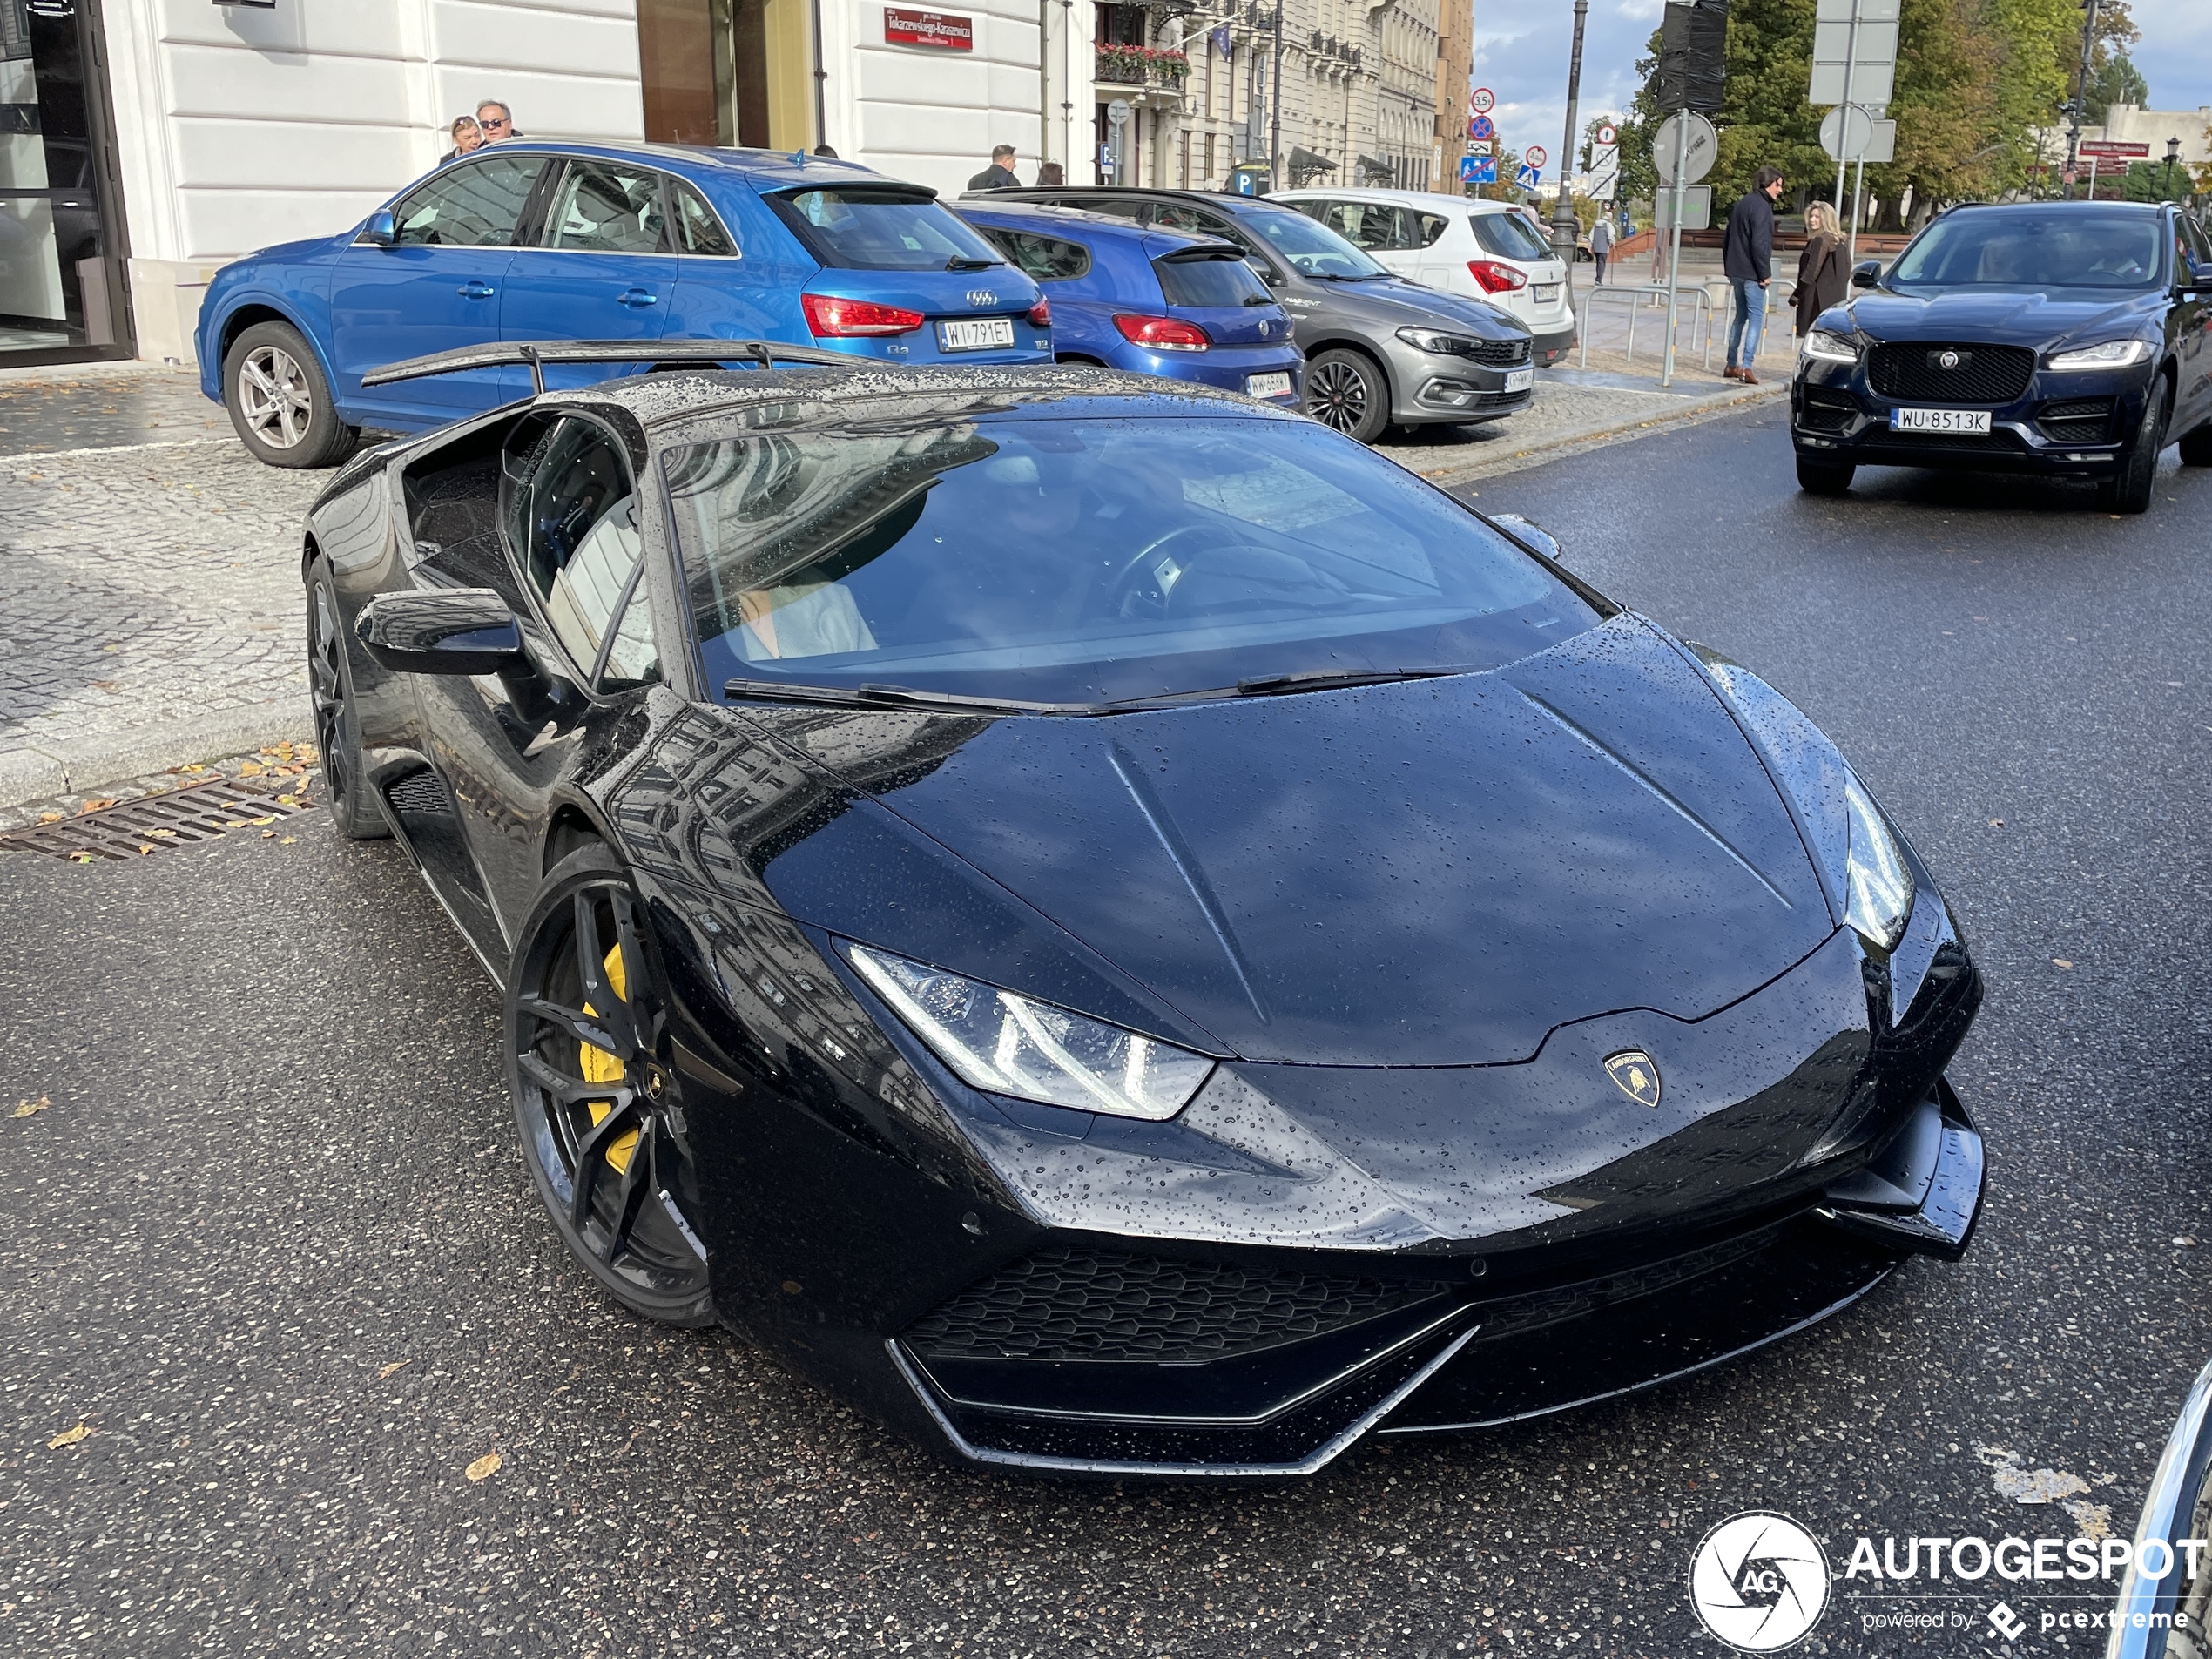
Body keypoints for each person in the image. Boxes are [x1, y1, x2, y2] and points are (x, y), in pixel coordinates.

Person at [1722, 165, 1784, 383]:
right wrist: (1765, 273)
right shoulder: (1762, 207)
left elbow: (1727, 238)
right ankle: (1747, 366)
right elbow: (1760, 243)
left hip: (1737, 271)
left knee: (1740, 317)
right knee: (1756, 318)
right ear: (1768, 183)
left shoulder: (1742, 203)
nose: (1780, 190)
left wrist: (1728, 268)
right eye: (1779, 185)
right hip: (1752, 273)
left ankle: (1731, 364)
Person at [1792, 201, 1846, 343]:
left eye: (1817, 217)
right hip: (1835, 301)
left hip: (1816, 302)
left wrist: (1796, 295)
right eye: (1811, 216)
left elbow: (1812, 271)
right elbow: (1847, 270)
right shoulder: (1840, 241)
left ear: (1826, 219)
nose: (1812, 220)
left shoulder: (1821, 240)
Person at [1588, 212, 1613, 285]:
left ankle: (1598, 278)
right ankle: (1599, 279)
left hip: (1596, 246)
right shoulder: (1608, 225)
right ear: (1609, 217)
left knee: (1599, 262)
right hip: (1604, 246)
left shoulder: (1596, 224)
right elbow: (1610, 236)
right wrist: (1612, 243)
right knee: (1602, 263)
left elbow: (1591, 235)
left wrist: (1590, 245)